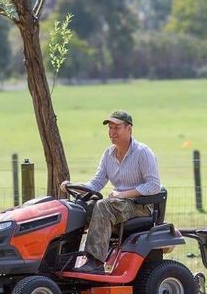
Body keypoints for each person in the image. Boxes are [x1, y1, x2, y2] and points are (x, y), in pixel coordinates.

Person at [60, 110, 160, 274]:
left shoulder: (143, 152)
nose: (112, 132)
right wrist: (73, 186)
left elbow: (154, 185)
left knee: (103, 206)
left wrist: (123, 194)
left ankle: (95, 262)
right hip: (118, 204)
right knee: (81, 208)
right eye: (110, 128)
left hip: (141, 205)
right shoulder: (108, 154)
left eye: (117, 128)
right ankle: (67, 257)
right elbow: (96, 183)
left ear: (129, 129)